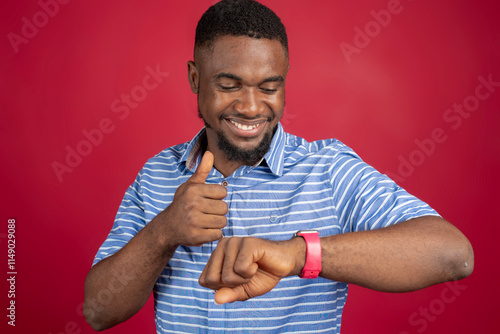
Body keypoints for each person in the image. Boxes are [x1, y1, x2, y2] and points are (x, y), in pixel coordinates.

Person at [83, 0, 474, 332]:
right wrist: (163, 232)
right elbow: (98, 312)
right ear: (194, 79)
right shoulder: (156, 175)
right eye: (229, 85)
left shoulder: (328, 170)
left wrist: (299, 254)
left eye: (269, 87)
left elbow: (453, 254)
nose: (252, 107)